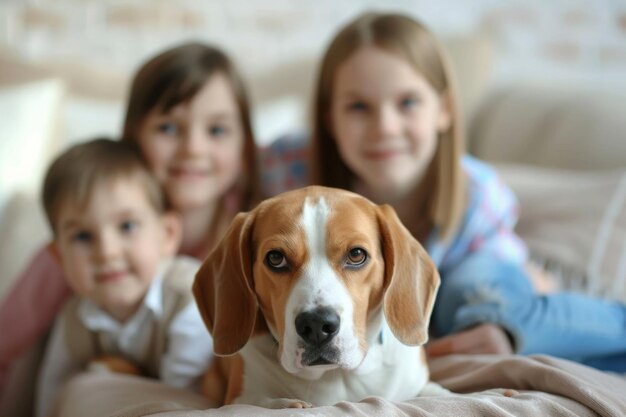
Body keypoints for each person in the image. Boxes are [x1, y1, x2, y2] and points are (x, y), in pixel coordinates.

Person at [262, 12, 626, 372]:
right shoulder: (289, 163)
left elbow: (499, 270)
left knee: (479, 309)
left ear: (445, 109)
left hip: (465, 274)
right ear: (329, 119)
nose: (385, 127)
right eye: (359, 107)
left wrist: (510, 311)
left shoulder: (476, 192)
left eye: (407, 103)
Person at [0, 42, 260, 402]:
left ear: (245, 145)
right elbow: (7, 342)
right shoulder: (82, 246)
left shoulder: (259, 229)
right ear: (131, 136)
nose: (193, 149)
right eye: (168, 128)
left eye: (217, 131)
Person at [35, 138, 213, 417]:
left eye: (127, 226)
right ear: (59, 258)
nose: (106, 252)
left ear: (167, 234)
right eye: (83, 236)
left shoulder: (189, 298)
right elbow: (52, 397)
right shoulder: (73, 319)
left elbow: (187, 399)